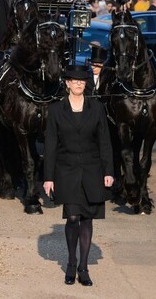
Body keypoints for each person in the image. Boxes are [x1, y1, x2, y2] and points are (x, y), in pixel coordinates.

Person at [43, 65, 114, 287]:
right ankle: (71, 262)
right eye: (74, 81)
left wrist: (109, 171)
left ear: (86, 84)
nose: (78, 84)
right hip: (66, 170)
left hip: (92, 170)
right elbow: (51, 144)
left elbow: (105, 141)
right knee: (72, 217)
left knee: (87, 218)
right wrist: (48, 177)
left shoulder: (97, 108)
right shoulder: (56, 109)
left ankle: (83, 267)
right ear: (66, 83)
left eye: (82, 81)